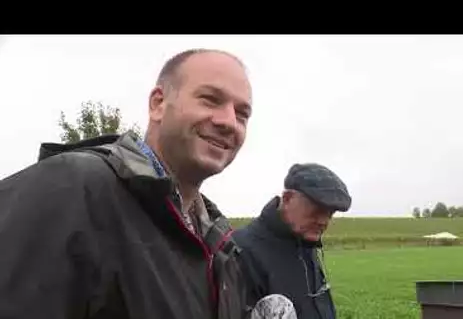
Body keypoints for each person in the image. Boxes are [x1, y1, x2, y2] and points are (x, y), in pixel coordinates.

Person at [0, 48, 256, 319]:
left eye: (242, 114)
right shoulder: (71, 189)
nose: (229, 122)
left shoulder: (222, 250)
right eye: (210, 99)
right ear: (158, 104)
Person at [233, 163, 352, 319]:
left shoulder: (305, 241)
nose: (324, 221)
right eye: (317, 210)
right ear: (288, 198)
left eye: (330, 213)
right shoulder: (240, 250)